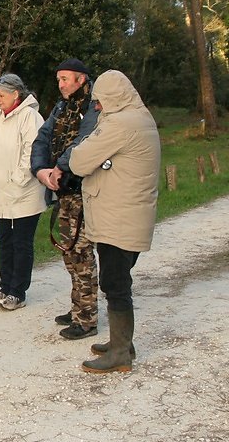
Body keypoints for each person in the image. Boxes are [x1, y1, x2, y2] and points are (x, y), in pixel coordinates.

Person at [69, 69, 161, 373]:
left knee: (115, 283)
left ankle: (120, 353)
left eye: (100, 100)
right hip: (127, 213)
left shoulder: (120, 123)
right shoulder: (141, 117)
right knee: (118, 279)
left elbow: (78, 161)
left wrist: (91, 153)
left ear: (114, 98)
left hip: (118, 217)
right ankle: (122, 342)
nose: (97, 106)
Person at [31, 58, 100, 340]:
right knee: (68, 252)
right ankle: (77, 308)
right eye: (58, 79)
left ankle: (87, 319)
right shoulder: (62, 106)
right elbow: (43, 137)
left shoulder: (94, 106)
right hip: (62, 190)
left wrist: (60, 167)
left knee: (81, 253)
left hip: (83, 190)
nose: (60, 84)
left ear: (81, 79)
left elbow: (85, 142)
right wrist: (41, 170)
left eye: (65, 79)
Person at [0, 73, 47, 311]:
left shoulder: (30, 117)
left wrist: (17, 179)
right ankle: (5, 287)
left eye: (1, 95)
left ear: (15, 94)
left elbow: (33, 152)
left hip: (25, 192)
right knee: (5, 241)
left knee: (21, 243)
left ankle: (18, 292)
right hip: (0, 191)